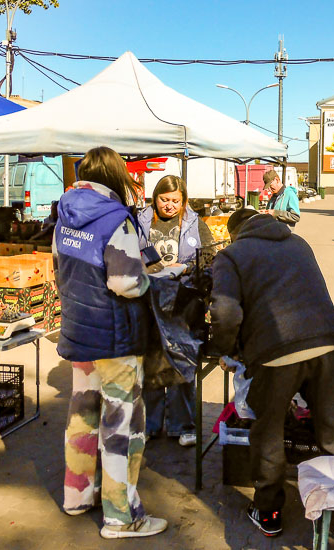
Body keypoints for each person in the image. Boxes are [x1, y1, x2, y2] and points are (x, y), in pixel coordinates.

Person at [210, 208, 334, 538]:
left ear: (235, 233)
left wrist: (227, 347)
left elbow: (224, 311)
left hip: (275, 354)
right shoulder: (299, 242)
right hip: (328, 346)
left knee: (269, 432)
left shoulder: (231, 255)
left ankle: (269, 512)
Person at [53, 146, 167, 539]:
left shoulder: (64, 212)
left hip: (78, 333)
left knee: (82, 417)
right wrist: (153, 278)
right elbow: (125, 282)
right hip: (115, 340)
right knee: (121, 426)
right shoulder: (115, 217)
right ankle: (122, 518)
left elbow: (63, 268)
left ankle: (77, 495)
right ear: (116, 175)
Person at [137, 175, 213, 447]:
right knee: (152, 362)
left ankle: (183, 425)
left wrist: (188, 269)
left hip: (183, 303)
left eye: (175, 201)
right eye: (164, 200)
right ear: (155, 198)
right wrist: (144, 266)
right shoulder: (140, 222)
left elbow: (209, 260)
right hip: (148, 302)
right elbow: (130, 254)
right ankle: (150, 424)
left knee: (182, 362)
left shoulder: (196, 224)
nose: (169, 206)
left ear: (184, 201)